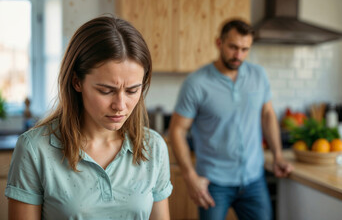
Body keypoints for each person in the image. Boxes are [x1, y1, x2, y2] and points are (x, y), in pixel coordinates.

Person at [5, 16, 173, 220]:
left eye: (132, 91)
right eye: (105, 90)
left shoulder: (153, 147)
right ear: (77, 82)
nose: (120, 105)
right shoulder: (34, 149)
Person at [169, 19, 293, 220]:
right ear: (219, 43)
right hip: (213, 183)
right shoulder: (196, 83)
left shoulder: (258, 75)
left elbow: (268, 114)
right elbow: (177, 130)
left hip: (254, 179)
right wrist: (190, 176)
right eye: (233, 47)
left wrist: (278, 155)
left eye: (245, 49)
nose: (239, 55)